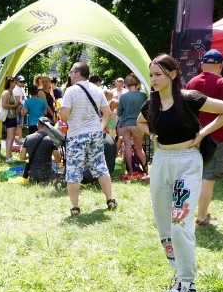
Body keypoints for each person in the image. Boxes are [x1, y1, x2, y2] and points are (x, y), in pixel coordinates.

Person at [136, 54, 223, 292]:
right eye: (151, 75)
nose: (154, 79)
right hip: (161, 162)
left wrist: (202, 133)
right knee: (163, 223)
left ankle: (190, 285)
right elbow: (139, 122)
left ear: (172, 74)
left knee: (180, 222)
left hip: (187, 162)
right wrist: (153, 133)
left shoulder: (190, 98)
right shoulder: (152, 104)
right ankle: (178, 276)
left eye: (158, 74)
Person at [186, 49, 223, 226]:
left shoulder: (191, 82)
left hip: (193, 138)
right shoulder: (222, 82)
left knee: (195, 177)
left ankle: (194, 213)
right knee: (208, 179)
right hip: (215, 138)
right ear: (221, 65)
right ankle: (202, 217)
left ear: (202, 64)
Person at [58, 62, 116, 215]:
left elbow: (63, 115)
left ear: (77, 74)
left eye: (71, 72)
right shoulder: (97, 89)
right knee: (101, 167)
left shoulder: (70, 91)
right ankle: (110, 199)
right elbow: (107, 113)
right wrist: (100, 127)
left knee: (73, 171)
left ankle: (75, 208)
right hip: (95, 134)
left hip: (76, 135)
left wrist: (62, 111)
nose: (69, 75)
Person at [116, 73, 149, 179]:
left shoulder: (123, 97)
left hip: (125, 125)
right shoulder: (143, 95)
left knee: (127, 148)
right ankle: (145, 171)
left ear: (126, 83)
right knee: (139, 149)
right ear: (137, 83)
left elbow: (119, 113)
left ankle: (130, 172)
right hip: (138, 125)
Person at [19, 117, 60, 183]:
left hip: (32, 174)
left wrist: (31, 157)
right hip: (47, 174)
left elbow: (22, 157)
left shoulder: (28, 138)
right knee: (55, 165)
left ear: (37, 126)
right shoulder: (52, 140)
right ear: (49, 127)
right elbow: (58, 160)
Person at [0, 77, 20, 163]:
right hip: (9, 117)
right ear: (11, 83)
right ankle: (8, 157)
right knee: (10, 137)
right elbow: (4, 105)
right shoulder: (6, 92)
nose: (16, 84)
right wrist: (15, 105)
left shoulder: (11, 92)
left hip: (13, 116)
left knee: (12, 137)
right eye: (15, 82)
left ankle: (10, 155)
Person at [13, 75, 27, 143]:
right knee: (20, 124)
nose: (22, 83)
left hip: (24, 108)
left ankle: (15, 137)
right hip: (20, 108)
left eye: (23, 81)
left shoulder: (21, 88)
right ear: (17, 82)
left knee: (24, 123)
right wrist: (21, 108)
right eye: (21, 81)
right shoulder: (16, 89)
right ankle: (20, 138)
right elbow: (18, 100)